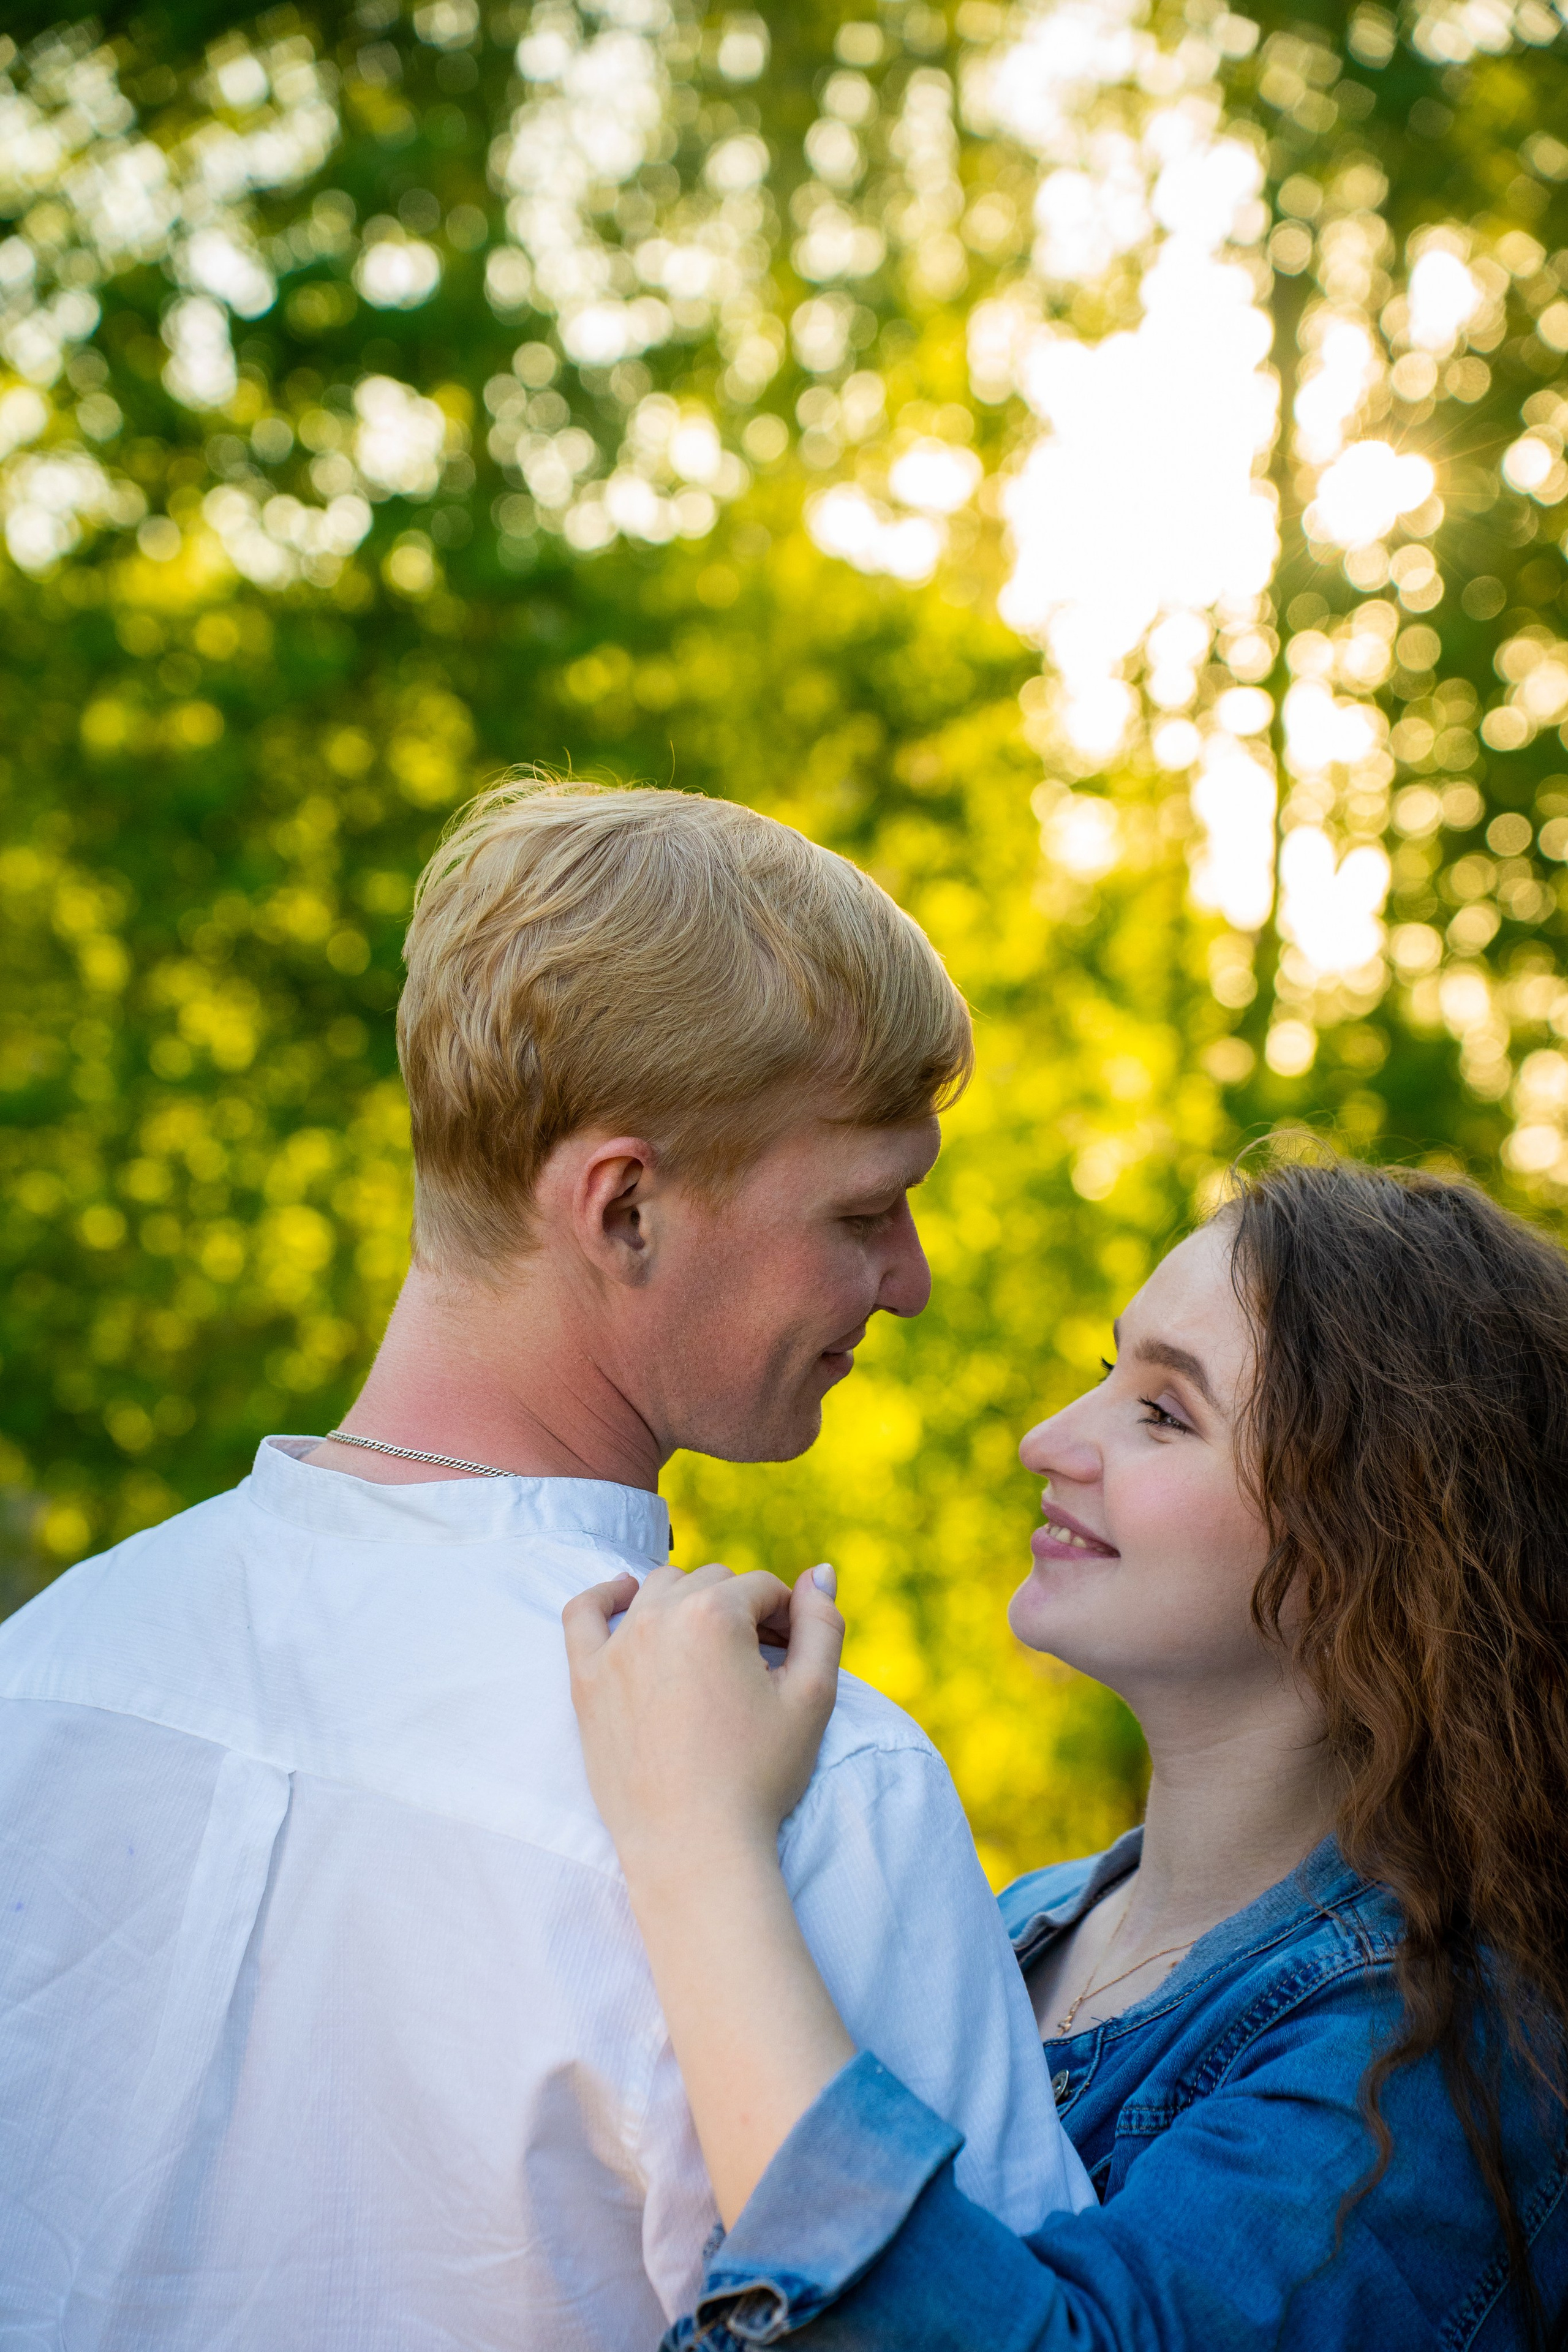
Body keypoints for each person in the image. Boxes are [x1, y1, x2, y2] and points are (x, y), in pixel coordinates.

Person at [0, 781, 1089, 2352]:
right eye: (864, 1209)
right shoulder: (815, 1787)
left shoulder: (48, 1672)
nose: (905, 1281)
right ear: (623, 1203)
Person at [568, 1153, 1568, 2350]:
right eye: (1106, 1376)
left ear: (1378, 1539)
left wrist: (695, 1846)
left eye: (1161, 1412)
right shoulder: (1005, 1928)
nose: (1048, 1440)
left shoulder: (1446, 2055)